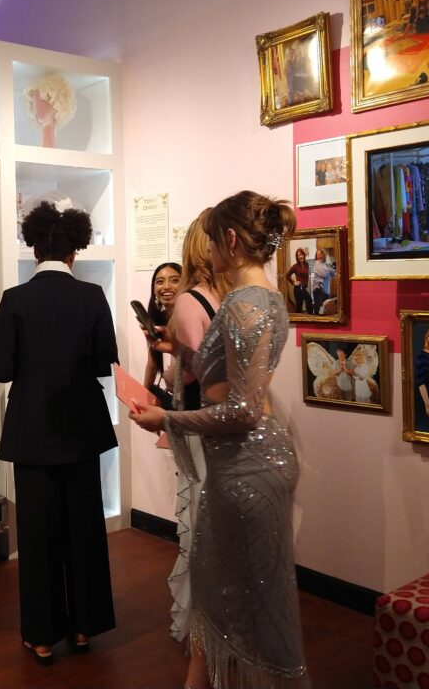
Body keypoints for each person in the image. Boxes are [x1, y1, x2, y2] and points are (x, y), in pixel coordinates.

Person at [130, 191, 309, 689]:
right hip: (243, 464)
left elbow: (242, 409)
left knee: (238, 602)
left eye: (210, 242)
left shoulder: (246, 304)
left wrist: (166, 418)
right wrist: (181, 351)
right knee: (219, 597)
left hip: (247, 468)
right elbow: (227, 380)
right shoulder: (264, 298)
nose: (207, 253)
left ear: (229, 240)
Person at [0, 201, 118, 665]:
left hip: (33, 433)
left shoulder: (15, 299)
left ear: (34, 247)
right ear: (73, 254)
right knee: (85, 528)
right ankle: (84, 627)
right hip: (82, 428)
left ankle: (42, 636)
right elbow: (105, 359)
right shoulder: (93, 297)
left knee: (39, 536)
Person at [162, 209, 233, 644]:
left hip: (208, 423)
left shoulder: (195, 301)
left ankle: (209, 629)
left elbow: (191, 374)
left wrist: (172, 358)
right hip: (221, 425)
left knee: (206, 525)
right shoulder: (226, 297)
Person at [143, 261, 182, 391]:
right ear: (154, 289)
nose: (166, 287)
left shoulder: (186, 318)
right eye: (160, 282)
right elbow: (153, 362)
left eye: (175, 281)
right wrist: (143, 396)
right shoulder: (160, 319)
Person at [286, 246, 312, 314]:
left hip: (303, 287)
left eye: (301, 254)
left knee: (307, 302)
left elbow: (306, 276)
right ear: (297, 257)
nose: (300, 256)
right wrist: (293, 283)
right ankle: (300, 320)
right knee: (304, 303)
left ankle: (309, 318)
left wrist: (306, 285)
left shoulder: (307, 264)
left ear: (304, 255)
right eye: (298, 255)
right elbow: (287, 275)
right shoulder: (295, 266)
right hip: (298, 288)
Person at [310, 248, 334, 315]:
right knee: (318, 310)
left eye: (321, 254)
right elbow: (325, 274)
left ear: (324, 255)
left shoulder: (326, 264)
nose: (320, 256)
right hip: (319, 289)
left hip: (326, 290)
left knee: (326, 310)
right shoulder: (317, 263)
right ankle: (316, 324)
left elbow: (334, 274)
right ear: (316, 256)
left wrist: (328, 273)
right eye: (318, 255)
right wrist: (329, 272)